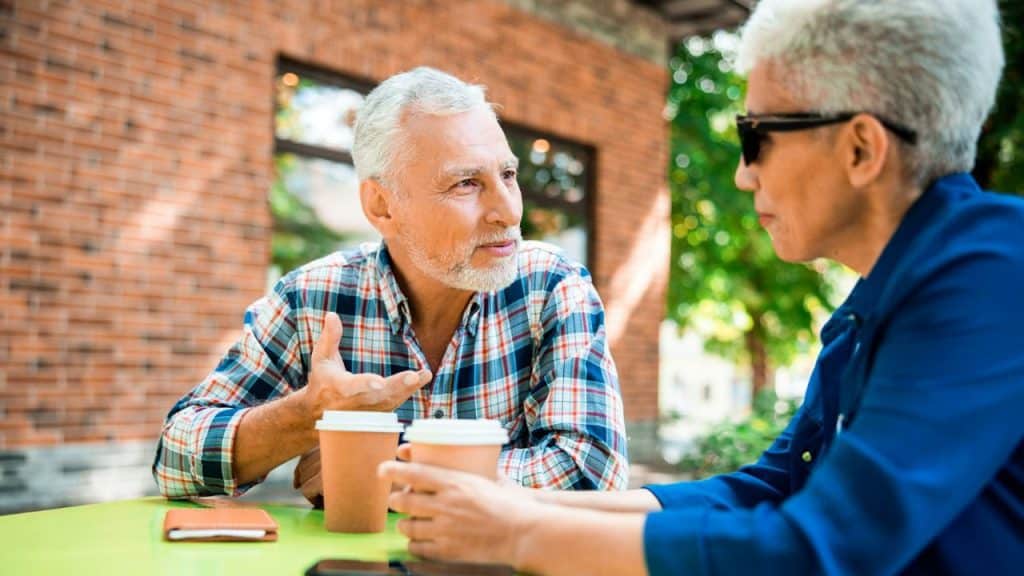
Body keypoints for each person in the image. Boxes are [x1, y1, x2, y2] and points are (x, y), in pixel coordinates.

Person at [379, 1, 1024, 574]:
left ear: (860, 149)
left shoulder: (995, 272)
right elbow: (774, 485)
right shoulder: (878, 303)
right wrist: (524, 504)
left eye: (758, 137)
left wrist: (518, 532)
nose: (745, 176)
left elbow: (824, 549)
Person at [152, 67, 629, 502]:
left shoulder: (552, 286)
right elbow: (175, 460)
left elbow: (592, 473)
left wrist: (380, 466)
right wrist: (305, 417)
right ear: (382, 206)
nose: (508, 211)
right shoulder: (311, 298)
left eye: (507, 174)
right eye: (466, 183)